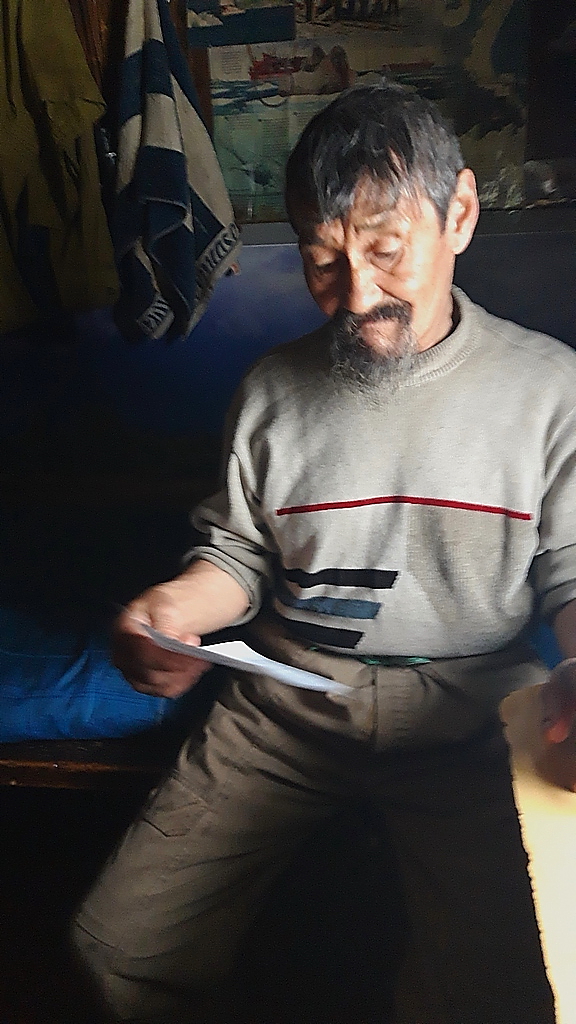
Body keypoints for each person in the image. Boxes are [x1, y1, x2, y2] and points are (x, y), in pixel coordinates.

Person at [72, 81, 576, 1024]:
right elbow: (237, 555)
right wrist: (175, 610)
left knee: (512, 986)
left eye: (386, 251)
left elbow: (572, 574)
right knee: (120, 944)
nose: (358, 295)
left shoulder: (552, 389)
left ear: (460, 213)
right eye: (321, 260)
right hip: (287, 705)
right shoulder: (271, 390)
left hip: (471, 710)